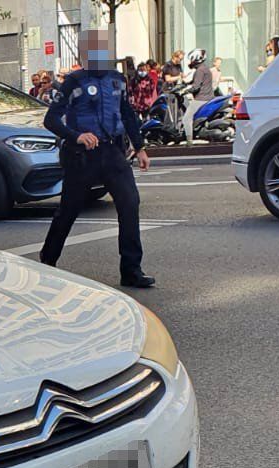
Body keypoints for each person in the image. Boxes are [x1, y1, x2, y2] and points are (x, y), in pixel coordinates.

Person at [40, 29, 155, 289]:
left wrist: (140, 148)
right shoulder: (73, 81)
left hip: (113, 153)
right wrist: (76, 136)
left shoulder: (118, 80)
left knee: (130, 203)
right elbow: (51, 120)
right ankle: (46, 262)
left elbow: (127, 114)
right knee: (68, 211)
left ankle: (131, 270)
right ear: (85, 54)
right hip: (82, 156)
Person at [182, 49, 214, 144]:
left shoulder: (199, 71)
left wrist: (185, 91)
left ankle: (189, 141)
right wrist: (186, 83)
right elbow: (196, 81)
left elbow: (196, 87)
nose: (190, 62)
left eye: (191, 59)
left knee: (186, 118)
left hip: (201, 99)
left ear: (195, 59)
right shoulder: (205, 69)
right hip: (209, 97)